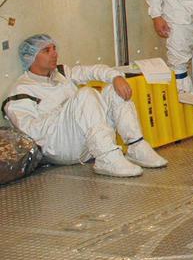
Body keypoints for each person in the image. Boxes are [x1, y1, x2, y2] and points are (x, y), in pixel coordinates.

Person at [2, 34, 168, 177]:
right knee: (86, 94)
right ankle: (106, 157)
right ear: (31, 58)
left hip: (86, 142)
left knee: (112, 90)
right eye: (47, 51)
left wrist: (116, 77)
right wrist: (64, 109)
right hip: (58, 146)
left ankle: (136, 146)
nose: (54, 54)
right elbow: (30, 133)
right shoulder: (21, 90)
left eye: (54, 48)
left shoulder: (61, 73)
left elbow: (92, 71)